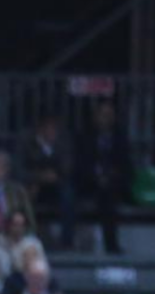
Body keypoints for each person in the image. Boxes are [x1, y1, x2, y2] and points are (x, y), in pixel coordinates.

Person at [76, 101, 131, 254]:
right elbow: (80, 164)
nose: (106, 118)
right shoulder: (85, 136)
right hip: (89, 182)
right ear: (95, 116)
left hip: (112, 184)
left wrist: (112, 175)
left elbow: (126, 165)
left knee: (109, 195)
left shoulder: (120, 136)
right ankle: (77, 245)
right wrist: (97, 176)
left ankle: (111, 244)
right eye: (103, 115)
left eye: (109, 115)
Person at [20, 114, 73, 249]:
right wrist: (39, 177)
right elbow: (19, 170)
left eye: (55, 129)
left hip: (57, 185)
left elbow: (68, 167)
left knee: (68, 195)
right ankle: (28, 236)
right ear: (41, 130)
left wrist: (54, 176)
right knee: (25, 195)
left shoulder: (62, 143)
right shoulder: (27, 143)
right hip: (34, 184)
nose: (52, 133)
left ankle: (66, 241)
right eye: (49, 129)